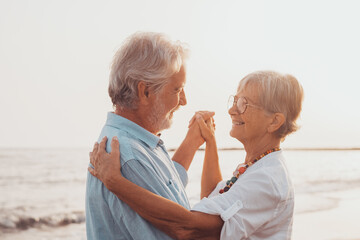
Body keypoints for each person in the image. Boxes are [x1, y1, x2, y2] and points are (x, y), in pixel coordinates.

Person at [89, 70, 304, 240]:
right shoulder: (256, 166)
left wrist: (115, 183)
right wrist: (208, 143)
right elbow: (212, 196)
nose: (232, 110)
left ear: (274, 121)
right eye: (235, 100)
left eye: (243, 104)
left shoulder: (267, 179)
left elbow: (190, 229)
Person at [85, 32, 213, 240]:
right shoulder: (129, 157)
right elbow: (182, 230)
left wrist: (191, 142)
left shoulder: (134, 143)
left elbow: (166, 190)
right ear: (144, 92)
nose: (184, 101)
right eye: (177, 89)